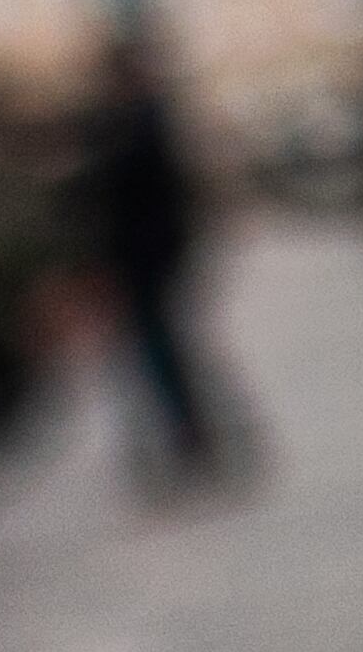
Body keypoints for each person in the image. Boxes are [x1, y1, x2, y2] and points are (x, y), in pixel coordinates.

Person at [67, 26, 236, 492]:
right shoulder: (134, 121)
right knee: (159, 351)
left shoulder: (141, 124)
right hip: (143, 257)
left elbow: (130, 189)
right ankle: (189, 435)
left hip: (146, 257)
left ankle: (191, 436)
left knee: (161, 349)